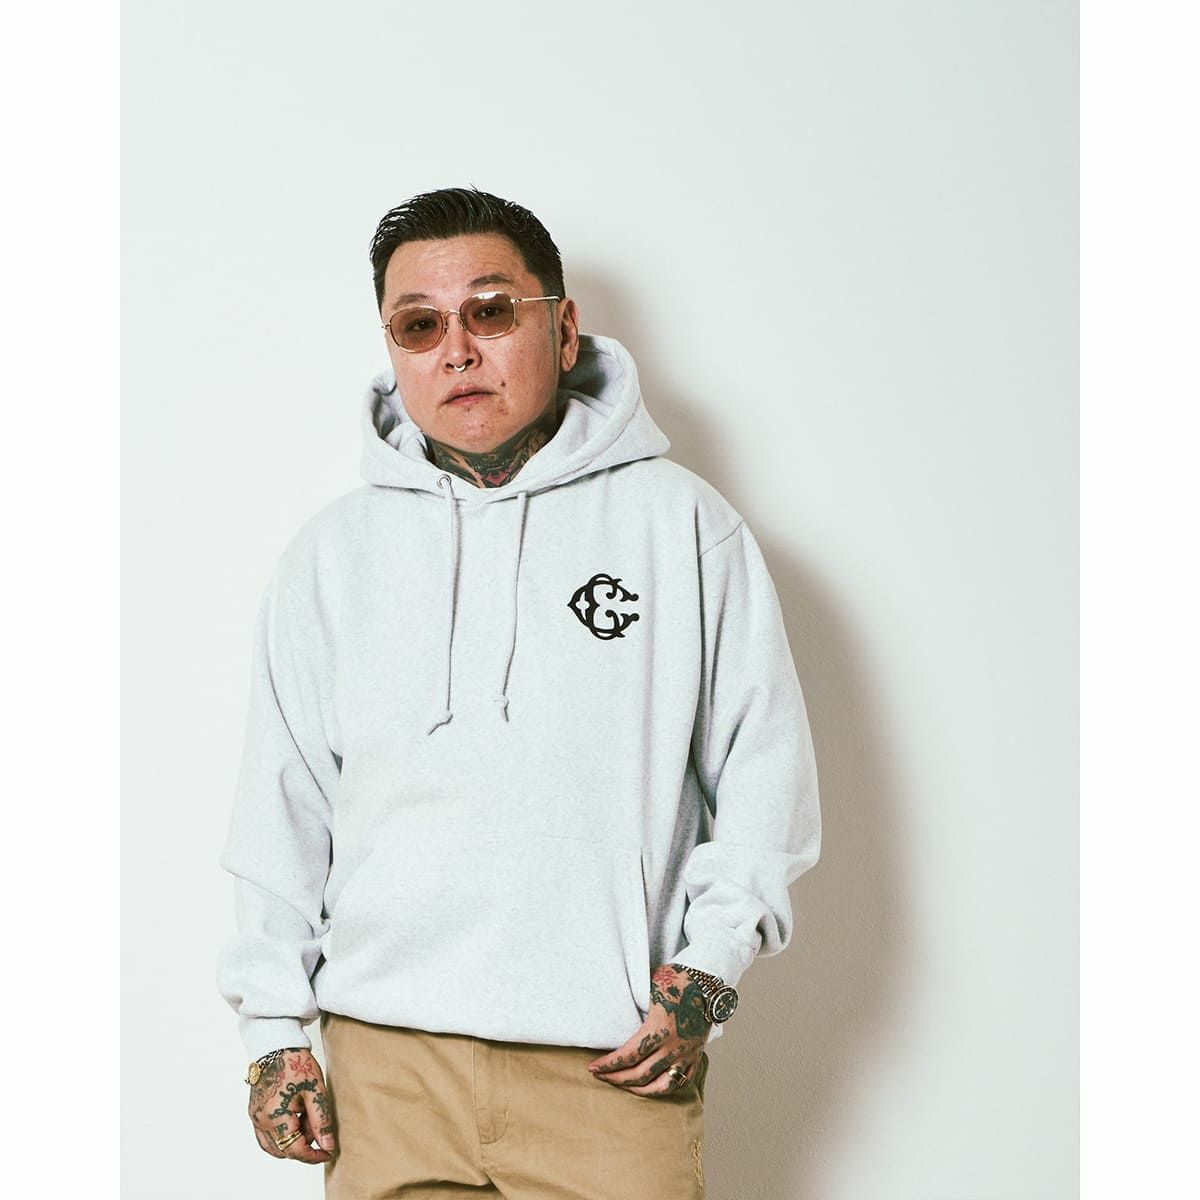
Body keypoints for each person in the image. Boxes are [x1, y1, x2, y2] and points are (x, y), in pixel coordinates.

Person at [216, 186, 822, 1198]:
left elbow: (766, 776)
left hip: (611, 1069)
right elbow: (281, 811)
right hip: (385, 1074)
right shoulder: (331, 558)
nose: (457, 351)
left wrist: (708, 974)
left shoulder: (682, 528)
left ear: (564, 328)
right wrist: (274, 1030)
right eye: (420, 326)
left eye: (490, 311)